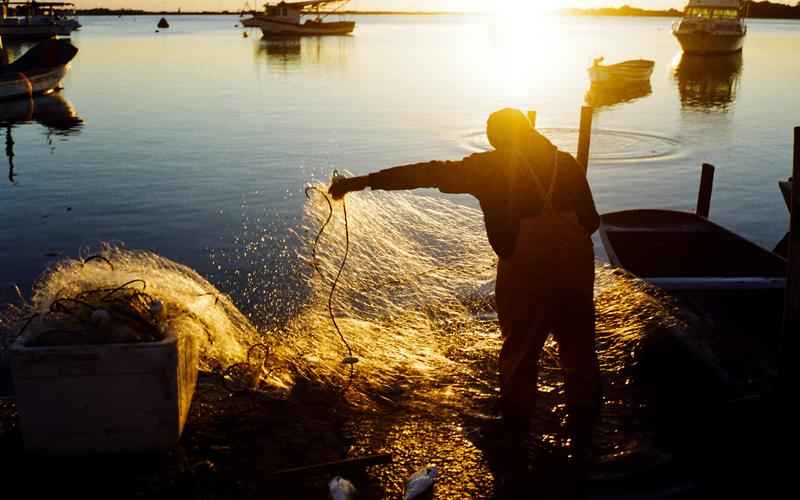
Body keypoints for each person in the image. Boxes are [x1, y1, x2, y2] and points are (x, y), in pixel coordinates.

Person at [329, 108, 602, 455]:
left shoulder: (489, 168)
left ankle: (516, 440)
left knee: (520, 354)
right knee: (579, 351)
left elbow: (426, 173)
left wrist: (361, 181)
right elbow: (591, 222)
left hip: (527, 273)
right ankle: (585, 435)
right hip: (576, 270)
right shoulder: (567, 164)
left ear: (500, 139)